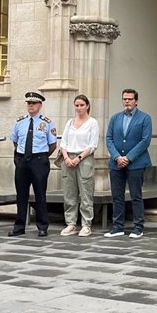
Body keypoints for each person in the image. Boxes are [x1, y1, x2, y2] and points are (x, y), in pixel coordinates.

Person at [105, 89, 152, 239]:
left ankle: (138, 227)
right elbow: (109, 139)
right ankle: (117, 226)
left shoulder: (145, 118)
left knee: (136, 195)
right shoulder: (115, 118)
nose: (127, 102)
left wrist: (129, 157)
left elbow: (145, 141)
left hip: (136, 164)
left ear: (136, 101)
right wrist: (117, 156)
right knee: (117, 196)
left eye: (130, 99)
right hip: (116, 163)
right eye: (125, 99)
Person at [8, 92, 57, 237]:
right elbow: (15, 141)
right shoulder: (20, 122)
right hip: (22, 160)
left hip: (39, 161)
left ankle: (42, 226)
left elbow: (53, 144)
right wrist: (20, 157)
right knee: (21, 194)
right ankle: (19, 226)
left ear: (40, 105)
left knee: (40, 194)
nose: (30, 106)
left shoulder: (47, 122)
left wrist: (41, 156)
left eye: (34, 103)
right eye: (28, 103)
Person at [58, 94, 99, 237]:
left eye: (82, 105)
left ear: (87, 106)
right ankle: (71, 223)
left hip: (84, 158)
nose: (79, 108)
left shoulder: (92, 123)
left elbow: (93, 145)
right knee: (69, 192)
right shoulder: (70, 122)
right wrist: (66, 157)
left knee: (86, 191)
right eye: (77, 105)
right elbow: (63, 142)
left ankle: (86, 224)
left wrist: (79, 157)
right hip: (68, 157)